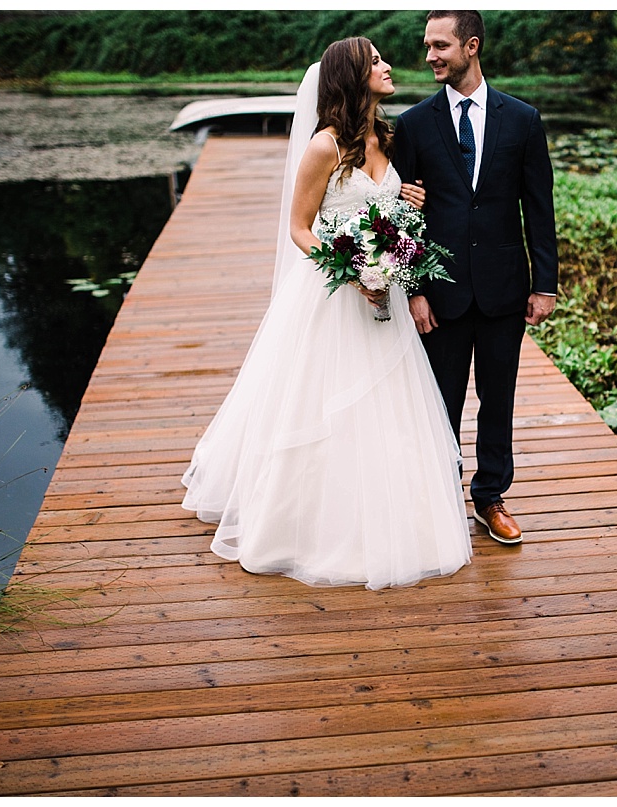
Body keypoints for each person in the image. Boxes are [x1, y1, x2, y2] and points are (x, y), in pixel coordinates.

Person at [180, 37, 472, 590]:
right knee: (326, 407)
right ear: (353, 75)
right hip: (337, 296)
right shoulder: (324, 147)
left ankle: (399, 521)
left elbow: (388, 207)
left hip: (386, 295)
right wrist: (351, 266)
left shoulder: (387, 136)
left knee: (391, 408)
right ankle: (313, 527)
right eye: (377, 61)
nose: (388, 67)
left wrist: (407, 208)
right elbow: (298, 228)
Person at [392, 11, 559, 545]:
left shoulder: (523, 120)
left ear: (471, 45)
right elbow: (402, 218)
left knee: (498, 398)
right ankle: (441, 496)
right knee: (439, 402)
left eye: (439, 46)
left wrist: (545, 283)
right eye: (426, 46)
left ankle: (490, 497)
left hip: (504, 288)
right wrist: (414, 289)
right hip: (439, 294)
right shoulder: (415, 124)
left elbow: (539, 207)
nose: (429, 56)